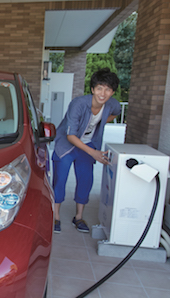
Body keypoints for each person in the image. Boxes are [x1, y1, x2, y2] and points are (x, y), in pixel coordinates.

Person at [52, 68, 121, 233]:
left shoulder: (113, 104)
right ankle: (55, 216)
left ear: (112, 92)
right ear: (92, 89)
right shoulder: (78, 104)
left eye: (107, 89)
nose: (102, 93)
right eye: (99, 88)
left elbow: (115, 113)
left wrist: (101, 122)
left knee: (86, 180)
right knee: (60, 180)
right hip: (67, 144)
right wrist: (94, 153)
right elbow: (71, 136)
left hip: (88, 144)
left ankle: (79, 217)